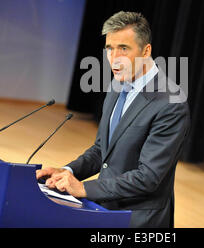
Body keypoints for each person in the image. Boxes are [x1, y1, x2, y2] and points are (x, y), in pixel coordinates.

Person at [36, 11, 190, 227]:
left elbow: (148, 178)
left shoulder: (170, 104)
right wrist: (69, 171)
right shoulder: (117, 85)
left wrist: (84, 188)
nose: (114, 58)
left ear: (146, 50)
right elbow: (102, 150)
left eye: (123, 49)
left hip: (138, 219)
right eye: (110, 48)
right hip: (103, 209)